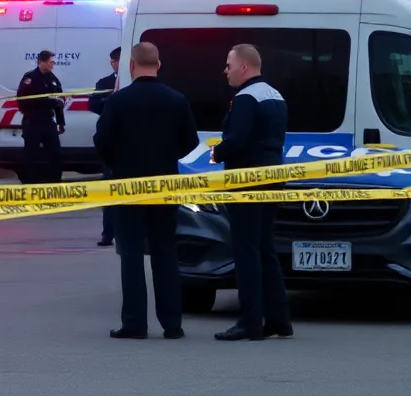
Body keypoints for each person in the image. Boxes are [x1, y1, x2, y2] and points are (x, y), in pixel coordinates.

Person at [93, 42, 199, 340]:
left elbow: (102, 140)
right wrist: (168, 156)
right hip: (166, 187)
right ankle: (172, 324)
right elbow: (191, 142)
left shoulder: (118, 101)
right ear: (159, 65)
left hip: (127, 187)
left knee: (131, 254)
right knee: (165, 253)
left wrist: (116, 163)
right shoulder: (176, 99)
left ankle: (135, 323)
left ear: (131, 65)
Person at [211, 44, 293, 342]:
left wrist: (217, 153)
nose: (226, 70)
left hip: (246, 181)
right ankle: (278, 320)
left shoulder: (245, 97)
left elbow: (238, 139)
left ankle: (250, 322)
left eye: (229, 64)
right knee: (265, 249)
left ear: (244, 67)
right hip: (273, 177)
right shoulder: (275, 95)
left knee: (246, 250)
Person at [88, 47, 122, 247]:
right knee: (109, 189)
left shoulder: (132, 82)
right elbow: (93, 104)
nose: (114, 64)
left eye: (117, 60)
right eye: (113, 61)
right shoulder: (104, 83)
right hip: (111, 142)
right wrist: (109, 102)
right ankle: (108, 233)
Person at [16, 50, 66, 184]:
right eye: (50, 62)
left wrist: (61, 122)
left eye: (53, 62)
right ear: (41, 62)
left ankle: (55, 181)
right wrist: (46, 102)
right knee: (31, 153)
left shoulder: (53, 79)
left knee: (56, 152)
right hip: (32, 121)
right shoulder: (30, 78)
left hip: (47, 120)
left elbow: (59, 101)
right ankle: (29, 182)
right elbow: (22, 101)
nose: (52, 65)